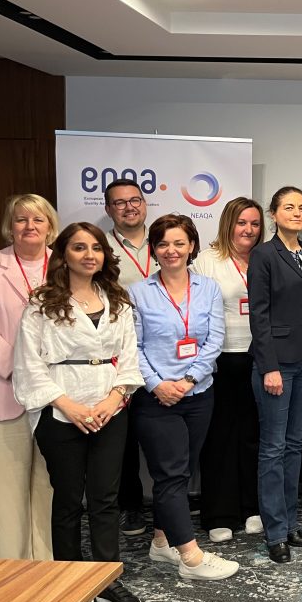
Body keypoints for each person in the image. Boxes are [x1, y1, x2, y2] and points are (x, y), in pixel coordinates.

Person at [12, 222, 144, 602]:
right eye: (79, 247)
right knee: (68, 499)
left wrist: (114, 399)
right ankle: (69, 577)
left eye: (96, 248)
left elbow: (130, 357)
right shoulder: (41, 303)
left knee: (105, 498)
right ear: (63, 255)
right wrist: (67, 406)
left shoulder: (117, 299)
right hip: (59, 412)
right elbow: (28, 363)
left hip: (109, 410)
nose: (89, 255)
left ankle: (106, 579)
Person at [128, 213, 238, 581]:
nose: (171, 250)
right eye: (163, 244)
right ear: (154, 249)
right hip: (155, 399)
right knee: (171, 474)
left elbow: (215, 339)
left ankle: (161, 541)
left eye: (179, 243)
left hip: (198, 393)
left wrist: (189, 380)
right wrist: (157, 384)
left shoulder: (208, 288)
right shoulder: (139, 292)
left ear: (192, 246)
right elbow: (133, 347)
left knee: (181, 471)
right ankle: (191, 558)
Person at [0, 193, 56, 560]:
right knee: (2, 494)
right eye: (21, 219)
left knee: (49, 488)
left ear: (50, 227)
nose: (29, 226)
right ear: (10, 226)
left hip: (54, 394)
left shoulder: (66, 265)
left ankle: (46, 570)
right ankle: (9, 574)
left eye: (38, 219)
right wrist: (20, 367)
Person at [248, 186, 302, 564]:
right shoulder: (264, 254)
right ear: (274, 213)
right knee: (273, 448)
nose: (297, 213)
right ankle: (275, 531)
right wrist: (269, 366)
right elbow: (259, 314)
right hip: (277, 364)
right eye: (289, 207)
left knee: (295, 444)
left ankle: (291, 522)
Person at [190, 197, 265, 542]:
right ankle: (220, 513)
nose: (248, 230)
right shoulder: (207, 261)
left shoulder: (265, 258)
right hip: (219, 358)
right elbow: (195, 313)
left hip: (258, 357)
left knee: (253, 435)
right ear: (228, 224)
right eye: (241, 222)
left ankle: (252, 507)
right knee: (219, 436)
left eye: (254, 223)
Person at [103, 178, 159, 536]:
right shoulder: (101, 248)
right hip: (119, 354)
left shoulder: (164, 240)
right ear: (109, 209)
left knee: (162, 431)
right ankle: (130, 505)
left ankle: (171, 498)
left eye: (135, 200)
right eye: (120, 202)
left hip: (163, 353)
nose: (129, 207)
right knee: (122, 439)